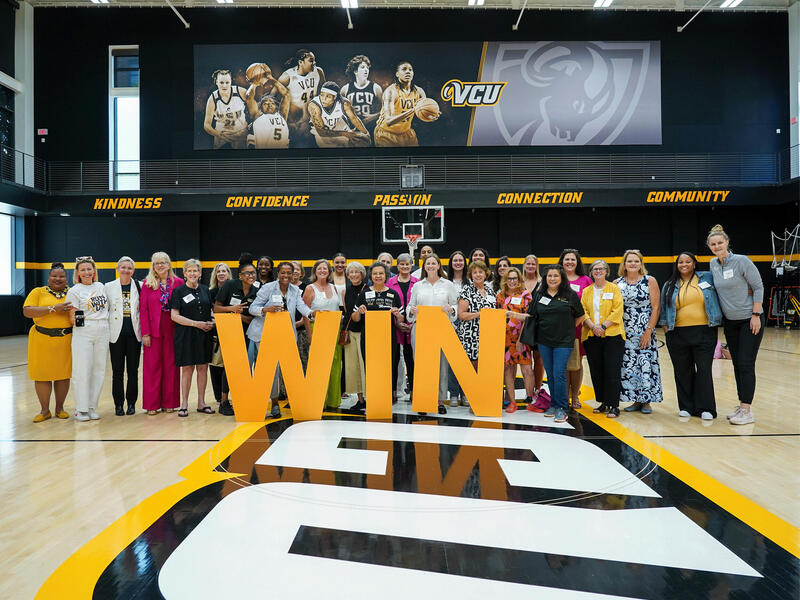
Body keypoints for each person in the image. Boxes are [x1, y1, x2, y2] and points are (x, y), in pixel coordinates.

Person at [707, 224, 765, 425]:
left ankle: (747, 410)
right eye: (713, 244)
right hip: (730, 323)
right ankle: (742, 406)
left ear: (727, 242)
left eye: (720, 243)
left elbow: (758, 287)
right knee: (738, 364)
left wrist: (756, 314)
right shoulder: (713, 264)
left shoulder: (741, 261)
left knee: (746, 364)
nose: (717, 246)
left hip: (750, 320)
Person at [659, 252, 722, 420]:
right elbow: (664, 311)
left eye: (688, 261)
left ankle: (706, 408)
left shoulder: (707, 278)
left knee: (703, 370)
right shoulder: (669, 284)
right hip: (677, 333)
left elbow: (725, 288)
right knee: (682, 371)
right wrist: (667, 330)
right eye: (681, 262)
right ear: (677, 265)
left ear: (694, 263)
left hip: (704, 332)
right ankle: (686, 406)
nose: (684, 264)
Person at [250, 262, 313, 417]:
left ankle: (276, 402)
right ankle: (272, 403)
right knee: (269, 370)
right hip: (263, 334)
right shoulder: (268, 288)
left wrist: (312, 314)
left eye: (289, 273)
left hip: (285, 334)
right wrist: (265, 309)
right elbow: (253, 308)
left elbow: (302, 307)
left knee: (281, 370)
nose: (286, 276)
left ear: (293, 275)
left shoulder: (295, 290)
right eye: (283, 273)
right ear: (278, 274)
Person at [524, 264, 585, 424]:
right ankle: (553, 404)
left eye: (555, 276)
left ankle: (562, 408)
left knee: (559, 374)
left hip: (563, 342)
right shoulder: (539, 294)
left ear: (561, 278)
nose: (552, 279)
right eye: (549, 276)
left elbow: (580, 315)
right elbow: (531, 315)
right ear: (545, 278)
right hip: (544, 341)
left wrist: (569, 330)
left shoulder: (570, 295)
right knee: (550, 374)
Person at [407, 254, 459, 414]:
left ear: (438, 266)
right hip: (421, 329)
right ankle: (424, 400)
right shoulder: (417, 286)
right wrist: (411, 311)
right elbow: (410, 306)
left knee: (442, 365)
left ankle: (440, 401)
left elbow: (455, 304)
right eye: (427, 263)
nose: (430, 266)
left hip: (442, 328)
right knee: (422, 365)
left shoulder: (448, 284)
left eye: (433, 263)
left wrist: (452, 309)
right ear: (424, 267)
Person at [23, 262, 73, 422]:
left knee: (63, 375)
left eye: (61, 276)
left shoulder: (73, 292)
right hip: (41, 339)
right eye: (54, 276)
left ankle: (60, 409)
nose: (58, 278)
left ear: (66, 278)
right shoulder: (38, 292)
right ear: (49, 277)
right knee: (42, 375)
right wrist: (53, 308)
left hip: (66, 339)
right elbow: (27, 311)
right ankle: (44, 411)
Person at [616, 250, 663, 413]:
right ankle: (635, 400)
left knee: (645, 363)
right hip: (624, 331)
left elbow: (656, 308)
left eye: (636, 261)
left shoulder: (649, 281)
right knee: (629, 366)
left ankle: (646, 401)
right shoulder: (617, 283)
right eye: (630, 261)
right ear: (624, 264)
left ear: (641, 263)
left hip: (644, 329)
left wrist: (648, 331)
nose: (633, 263)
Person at [352, 262, 406, 404]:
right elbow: (355, 318)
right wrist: (359, 311)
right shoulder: (363, 294)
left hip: (388, 338)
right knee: (370, 367)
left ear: (386, 275)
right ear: (371, 275)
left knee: (389, 366)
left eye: (381, 273)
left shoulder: (393, 294)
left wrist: (397, 314)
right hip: (369, 338)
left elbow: (401, 318)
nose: (378, 276)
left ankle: (387, 396)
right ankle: (374, 397)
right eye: (375, 273)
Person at [65, 257, 110, 422]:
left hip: (103, 329)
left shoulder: (101, 287)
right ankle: (80, 409)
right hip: (84, 330)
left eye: (89, 269)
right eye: (82, 270)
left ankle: (91, 407)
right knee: (82, 370)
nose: (86, 272)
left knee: (99, 370)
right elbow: (72, 316)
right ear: (77, 273)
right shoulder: (74, 291)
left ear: (94, 271)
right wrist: (86, 322)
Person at [213, 256, 258, 416]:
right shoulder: (230, 285)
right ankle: (224, 401)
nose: (251, 276)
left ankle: (242, 398)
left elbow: (252, 318)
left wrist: (240, 316)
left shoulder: (256, 290)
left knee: (244, 367)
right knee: (229, 367)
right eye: (247, 273)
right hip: (229, 332)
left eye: (253, 273)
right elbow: (216, 308)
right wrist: (232, 309)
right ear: (240, 275)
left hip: (247, 333)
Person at [140, 252, 184, 415]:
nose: (160, 265)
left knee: (171, 366)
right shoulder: (147, 284)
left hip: (173, 328)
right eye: (157, 263)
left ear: (169, 264)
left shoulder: (178, 283)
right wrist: (145, 333)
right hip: (153, 330)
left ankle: (170, 403)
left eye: (163, 262)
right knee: (152, 367)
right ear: (153, 266)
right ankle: (152, 405)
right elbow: (143, 310)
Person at [580, 260, 625, 419]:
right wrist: (593, 327)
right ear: (591, 272)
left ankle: (614, 405)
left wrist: (603, 327)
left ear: (606, 271)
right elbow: (583, 311)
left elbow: (617, 310)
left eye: (601, 269)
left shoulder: (614, 289)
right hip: (592, 336)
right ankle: (603, 402)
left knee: (612, 370)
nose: (598, 271)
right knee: (597, 370)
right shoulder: (586, 291)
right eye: (595, 269)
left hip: (612, 336)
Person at [170, 259, 215, 417]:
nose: (192, 273)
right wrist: (196, 324)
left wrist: (211, 322)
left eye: (195, 271)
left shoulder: (205, 290)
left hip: (204, 335)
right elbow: (174, 316)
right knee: (187, 369)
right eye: (189, 271)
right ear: (184, 274)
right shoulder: (178, 291)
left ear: (200, 273)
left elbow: (210, 311)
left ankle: (201, 403)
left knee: (203, 368)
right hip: (186, 335)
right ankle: (184, 404)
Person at [302, 259, 344, 409]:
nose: (322, 271)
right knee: (319, 367)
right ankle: (320, 399)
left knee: (335, 366)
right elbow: (305, 314)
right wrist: (310, 334)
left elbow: (338, 309)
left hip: (334, 330)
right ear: (314, 271)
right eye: (319, 268)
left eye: (325, 269)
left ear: (329, 271)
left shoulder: (334, 287)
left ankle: (333, 401)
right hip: (316, 329)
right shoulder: (309, 288)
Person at [105, 256, 142, 416]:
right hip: (116, 335)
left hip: (134, 334)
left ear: (133, 270)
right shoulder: (108, 287)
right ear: (118, 269)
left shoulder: (140, 286)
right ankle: (118, 404)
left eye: (129, 268)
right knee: (117, 372)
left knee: (133, 371)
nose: (126, 270)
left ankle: (132, 403)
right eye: (123, 267)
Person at [496, 267, 535, 413]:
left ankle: (530, 399)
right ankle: (512, 402)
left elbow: (529, 317)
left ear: (519, 280)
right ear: (505, 280)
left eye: (515, 278)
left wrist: (520, 340)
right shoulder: (500, 296)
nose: (512, 281)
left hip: (521, 338)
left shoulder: (526, 295)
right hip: (505, 339)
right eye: (509, 278)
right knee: (508, 370)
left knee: (527, 369)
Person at [374, 60, 438, 147]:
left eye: (410, 70)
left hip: (406, 133)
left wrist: (433, 114)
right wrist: (413, 110)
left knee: (415, 159)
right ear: (397, 74)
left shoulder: (419, 91)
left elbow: (424, 112)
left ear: (413, 73)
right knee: (391, 160)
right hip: (386, 133)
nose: (408, 71)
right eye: (404, 69)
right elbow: (389, 121)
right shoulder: (391, 92)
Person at [558, 249, 592, 409]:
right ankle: (564, 396)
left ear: (577, 262)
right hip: (559, 329)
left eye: (573, 259)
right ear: (562, 262)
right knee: (563, 363)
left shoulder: (586, 280)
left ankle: (575, 397)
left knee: (577, 364)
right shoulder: (556, 278)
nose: (570, 262)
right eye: (567, 259)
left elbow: (590, 305)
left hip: (578, 328)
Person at [387, 253, 419, 402]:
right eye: (402, 264)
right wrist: (398, 323)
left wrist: (412, 324)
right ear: (397, 266)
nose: (405, 267)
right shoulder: (389, 283)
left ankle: (414, 391)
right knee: (393, 361)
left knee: (412, 361)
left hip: (413, 328)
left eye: (408, 264)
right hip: (395, 328)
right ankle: (392, 392)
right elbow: (387, 306)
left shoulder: (418, 283)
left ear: (412, 265)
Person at [278, 49, 325, 146]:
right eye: (311, 60)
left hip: (312, 120)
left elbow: (324, 93)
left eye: (314, 60)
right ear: (300, 62)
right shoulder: (287, 77)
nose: (314, 63)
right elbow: (272, 97)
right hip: (296, 122)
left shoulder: (318, 72)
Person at [457, 260, 497, 368]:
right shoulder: (467, 290)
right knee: (472, 368)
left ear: (485, 273)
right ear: (471, 275)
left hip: (487, 335)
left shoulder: (490, 291)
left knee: (485, 368)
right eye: (475, 272)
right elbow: (461, 315)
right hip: (471, 336)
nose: (478, 275)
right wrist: (480, 314)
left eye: (480, 272)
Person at [308, 81, 370, 148]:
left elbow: (354, 118)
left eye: (328, 96)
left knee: (360, 143)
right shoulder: (314, 106)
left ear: (335, 97)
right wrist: (344, 133)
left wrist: (366, 133)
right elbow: (321, 132)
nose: (323, 99)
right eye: (322, 95)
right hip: (323, 133)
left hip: (339, 125)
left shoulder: (344, 103)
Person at [342, 262, 368, 410]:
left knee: (366, 366)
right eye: (350, 272)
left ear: (362, 273)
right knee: (353, 367)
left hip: (365, 331)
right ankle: (360, 399)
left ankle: (370, 396)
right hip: (351, 332)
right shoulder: (345, 291)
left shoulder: (368, 289)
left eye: (356, 272)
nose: (353, 274)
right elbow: (348, 311)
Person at [203, 69, 249, 149]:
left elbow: (255, 110)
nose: (224, 86)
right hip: (222, 136)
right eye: (221, 82)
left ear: (231, 81)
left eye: (227, 82)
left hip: (240, 134)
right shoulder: (213, 98)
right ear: (216, 82)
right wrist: (218, 134)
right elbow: (206, 125)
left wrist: (247, 129)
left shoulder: (241, 92)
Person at [208, 262, 233, 409]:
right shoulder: (210, 292)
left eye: (224, 271)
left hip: (232, 331)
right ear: (215, 275)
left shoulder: (234, 289)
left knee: (229, 367)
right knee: (216, 365)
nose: (221, 273)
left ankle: (230, 395)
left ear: (229, 274)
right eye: (219, 271)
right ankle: (218, 397)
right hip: (215, 331)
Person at [341, 55, 383, 135]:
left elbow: (385, 110)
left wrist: (372, 117)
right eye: (363, 67)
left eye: (367, 68)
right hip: (352, 129)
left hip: (371, 128)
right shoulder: (345, 89)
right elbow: (339, 111)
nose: (366, 70)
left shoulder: (376, 88)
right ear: (355, 71)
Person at [522, 254, 545, 399]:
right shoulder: (519, 282)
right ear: (524, 265)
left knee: (539, 359)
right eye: (528, 264)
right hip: (521, 324)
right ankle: (528, 391)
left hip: (538, 325)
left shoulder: (542, 283)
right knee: (525, 360)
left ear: (536, 266)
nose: (530, 266)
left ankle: (537, 389)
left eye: (533, 264)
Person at [291, 261, 310, 369]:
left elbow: (308, 307)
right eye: (292, 269)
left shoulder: (306, 288)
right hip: (287, 329)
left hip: (302, 330)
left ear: (301, 272)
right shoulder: (282, 287)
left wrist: (301, 322)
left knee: (304, 360)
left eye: (297, 269)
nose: (294, 271)